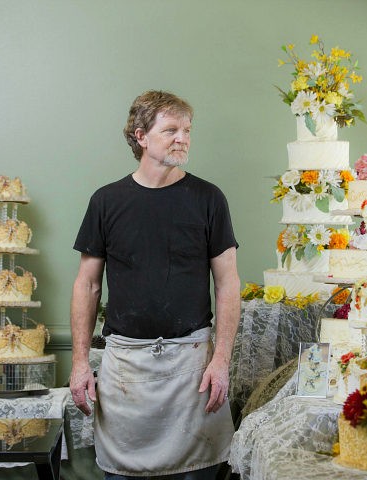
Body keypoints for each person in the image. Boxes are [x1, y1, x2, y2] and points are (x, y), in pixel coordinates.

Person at [69, 90, 240, 479]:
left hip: (192, 367)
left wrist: (222, 361)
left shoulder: (209, 198)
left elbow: (228, 285)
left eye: (187, 130)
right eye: (171, 130)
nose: (184, 138)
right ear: (141, 136)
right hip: (125, 367)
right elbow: (87, 286)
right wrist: (80, 362)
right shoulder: (106, 201)